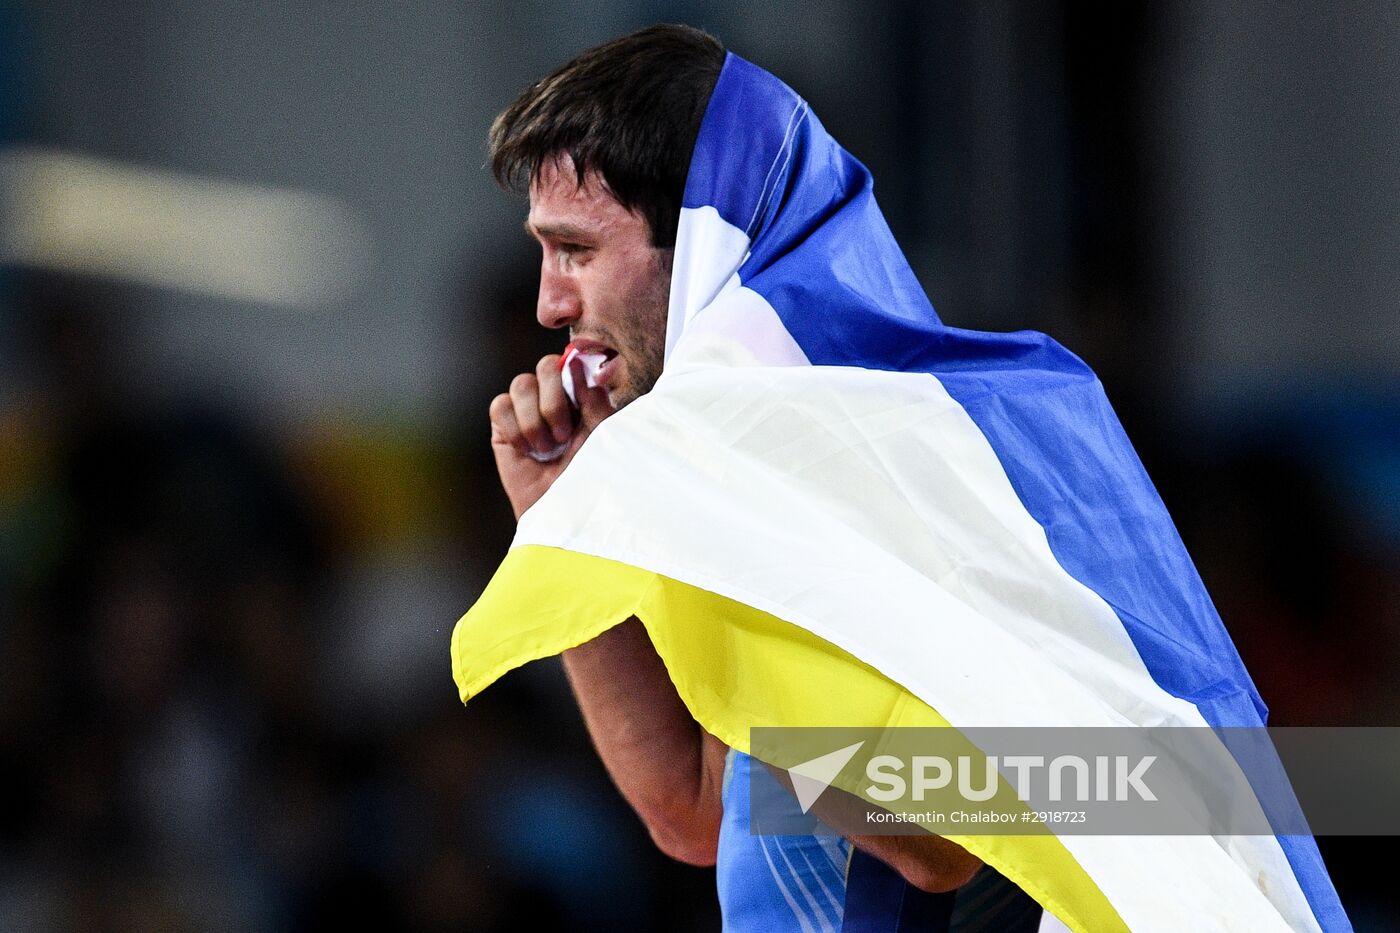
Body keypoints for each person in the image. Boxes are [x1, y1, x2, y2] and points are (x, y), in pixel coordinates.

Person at [482, 24, 1046, 932]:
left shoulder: (869, 455)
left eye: (576, 252)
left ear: (703, 243)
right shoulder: (735, 467)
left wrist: (751, 569)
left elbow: (945, 840)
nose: (549, 302)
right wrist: (567, 522)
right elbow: (698, 814)